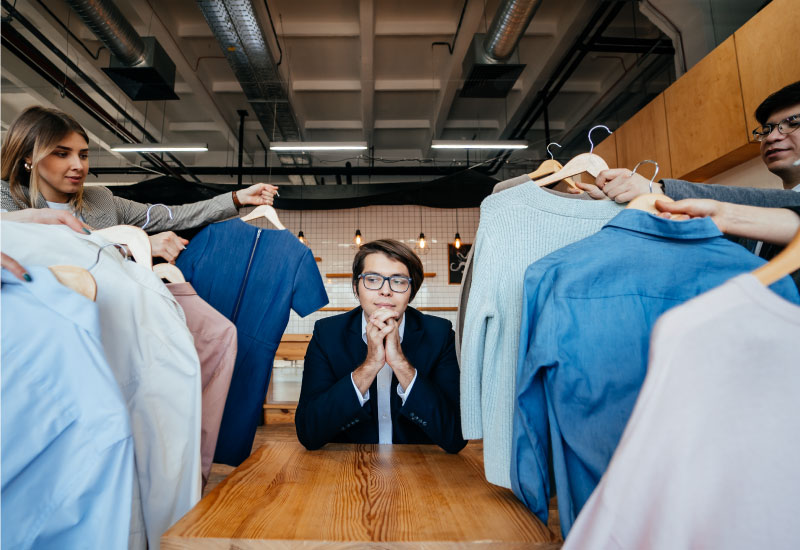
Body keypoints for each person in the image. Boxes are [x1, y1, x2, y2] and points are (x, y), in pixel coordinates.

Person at [1, 105, 278, 262]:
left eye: (83, 155)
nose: (78, 165)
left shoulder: (101, 200)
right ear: (28, 156)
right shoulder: (6, 201)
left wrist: (237, 198)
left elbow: (175, 215)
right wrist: (135, 245)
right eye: (62, 154)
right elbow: (44, 253)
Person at [295, 239, 467, 454]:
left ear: (411, 292)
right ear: (356, 288)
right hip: (349, 464)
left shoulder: (440, 335)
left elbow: (455, 437)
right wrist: (370, 365)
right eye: (372, 279)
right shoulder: (327, 334)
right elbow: (309, 433)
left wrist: (400, 363)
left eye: (399, 281)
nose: (385, 291)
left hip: (418, 464)